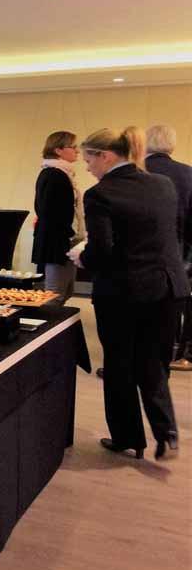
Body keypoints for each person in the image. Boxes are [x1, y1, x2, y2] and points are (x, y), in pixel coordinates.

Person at [69, 126, 187, 460]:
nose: (87, 166)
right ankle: (167, 432)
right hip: (168, 287)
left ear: (105, 156)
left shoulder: (100, 194)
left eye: (89, 159)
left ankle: (128, 437)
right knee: (154, 362)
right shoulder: (162, 185)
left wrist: (82, 257)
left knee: (120, 364)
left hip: (123, 292)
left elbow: (102, 251)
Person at [145, 125, 192, 371]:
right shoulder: (188, 173)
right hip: (180, 250)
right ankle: (180, 350)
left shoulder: (137, 172)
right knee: (179, 301)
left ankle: (148, 351)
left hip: (143, 253)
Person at [32, 131, 85, 304]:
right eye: (73, 147)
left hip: (65, 239)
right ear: (58, 150)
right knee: (54, 294)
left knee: (66, 291)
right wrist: (69, 234)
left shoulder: (62, 174)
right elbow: (49, 212)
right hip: (57, 242)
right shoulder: (54, 175)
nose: (77, 151)